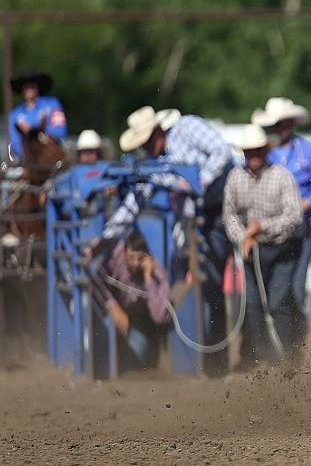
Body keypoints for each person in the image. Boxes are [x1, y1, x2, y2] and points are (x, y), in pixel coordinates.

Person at [113, 105, 237, 376]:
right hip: (197, 220)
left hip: (222, 208)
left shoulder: (188, 128)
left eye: (146, 142)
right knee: (202, 284)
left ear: (157, 132)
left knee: (213, 282)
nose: (146, 148)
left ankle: (221, 361)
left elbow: (222, 151)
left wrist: (199, 182)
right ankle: (207, 362)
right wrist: (112, 231)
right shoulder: (157, 162)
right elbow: (138, 198)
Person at [251, 97, 311, 340]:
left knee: (295, 291)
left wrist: (306, 202)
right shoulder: (264, 153)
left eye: (286, 122)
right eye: (278, 123)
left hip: (300, 229)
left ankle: (294, 344)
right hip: (268, 231)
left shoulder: (308, 151)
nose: (283, 127)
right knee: (267, 292)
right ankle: (273, 345)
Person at [223, 124, 303, 368]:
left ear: (266, 151)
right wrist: (243, 237)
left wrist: (262, 227)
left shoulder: (281, 176)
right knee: (253, 305)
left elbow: (294, 215)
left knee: (278, 302)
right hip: (251, 252)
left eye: (258, 151)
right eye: (249, 151)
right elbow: (229, 214)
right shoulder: (236, 178)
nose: (254, 156)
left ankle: (286, 356)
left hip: (279, 250)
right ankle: (263, 358)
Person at [91, 229, 171, 372]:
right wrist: (112, 306)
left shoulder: (158, 274)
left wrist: (148, 278)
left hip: (139, 323)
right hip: (113, 316)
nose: (134, 263)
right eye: (130, 258)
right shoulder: (116, 258)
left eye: (140, 258)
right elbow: (96, 280)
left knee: (134, 360)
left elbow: (159, 316)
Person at [8, 71, 67, 162]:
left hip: (51, 154)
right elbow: (15, 140)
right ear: (22, 90)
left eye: (32, 86)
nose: (29, 90)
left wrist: (42, 139)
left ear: (38, 88)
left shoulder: (52, 104)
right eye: (26, 87)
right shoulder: (15, 115)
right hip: (26, 158)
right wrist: (25, 152)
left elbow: (59, 130)